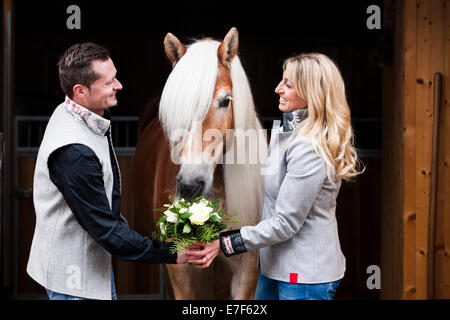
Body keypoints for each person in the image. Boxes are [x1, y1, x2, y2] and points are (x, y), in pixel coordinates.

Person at [187, 53, 363, 300]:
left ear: (311, 93)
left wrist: (224, 242)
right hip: (274, 268)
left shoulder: (308, 147)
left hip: (303, 277)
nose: (277, 88)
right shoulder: (285, 133)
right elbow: (267, 199)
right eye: (282, 80)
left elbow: (286, 223)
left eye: (288, 85)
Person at [26, 42, 193, 300]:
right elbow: (106, 231)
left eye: (115, 77)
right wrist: (173, 252)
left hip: (85, 269)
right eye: (109, 82)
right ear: (80, 90)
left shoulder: (73, 111)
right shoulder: (74, 152)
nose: (119, 86)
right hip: (75, 284)